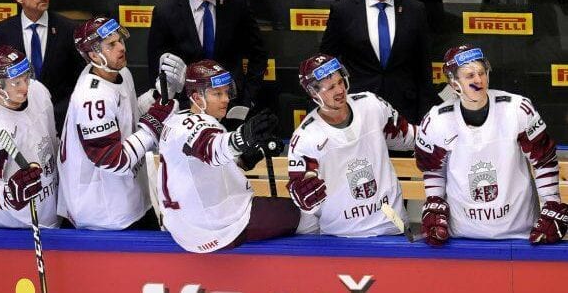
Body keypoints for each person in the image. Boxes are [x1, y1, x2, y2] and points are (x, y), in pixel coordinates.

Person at [158, 59, 317, 252]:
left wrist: (251, 155)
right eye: (217, 93)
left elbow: (207, 164)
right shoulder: (196, 125)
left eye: (226, 92)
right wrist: (243, 137)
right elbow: (212, 149)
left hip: (188, 226)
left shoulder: (175, 121)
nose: (226, 99)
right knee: (309, 217)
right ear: (197, 98)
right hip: (217, 225)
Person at [415, 45, 567, 246]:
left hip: (519, 232)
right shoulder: (436, 120)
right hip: (463, 236)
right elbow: (433, 169)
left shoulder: (517, 108)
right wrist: (434, 202)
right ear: (453, 82)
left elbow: (543, 160)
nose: (478, 80)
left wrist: (551, 203)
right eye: (470, 76)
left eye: (481, 73)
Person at [57, 17, 181, 230]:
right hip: (102, 214)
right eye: (111, 44)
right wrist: (154, 122)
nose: (121, 47)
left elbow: (127, 117)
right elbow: (113, 160)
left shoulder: (119, 72)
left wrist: (158, 95)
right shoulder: (92, 98)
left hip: (128, 198)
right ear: (94, 55)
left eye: (120, 40)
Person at [287, 54, 417, 236]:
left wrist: (441, 137)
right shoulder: (305, 138)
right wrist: (303, 196)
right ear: (313, 93)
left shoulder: (371, 105)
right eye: (331, 87)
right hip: (340, 234)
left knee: (405, 242)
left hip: (391, 222)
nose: (340, 90)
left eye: (340, 82)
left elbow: (409, 137)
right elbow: (306, 198)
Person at [320, 0, 438, 124]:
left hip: (405, 110)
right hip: (359, 110)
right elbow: (327, 61)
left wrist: (424, 115)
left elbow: (423, 68)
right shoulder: (343, 11)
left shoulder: (415, 10)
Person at [148, 0, 267, 110]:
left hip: (231, 106)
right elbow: (157, 68)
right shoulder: (166, 13)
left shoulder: (237, 2)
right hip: (187, 109)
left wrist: (248, 98)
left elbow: (258, 53)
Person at [0, 45, 59, 228]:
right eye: (16, 83)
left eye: (26, 78)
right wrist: (11, 192)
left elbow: (53, 140)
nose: (25, 87)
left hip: (50, 211)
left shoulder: (39, 91)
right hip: (16, 226)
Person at [0, 0, 83, 131]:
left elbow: (80, 80)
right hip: (15, 123)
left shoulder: (68, 29)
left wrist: (58, 114)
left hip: (61, 123)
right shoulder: (2, 32)